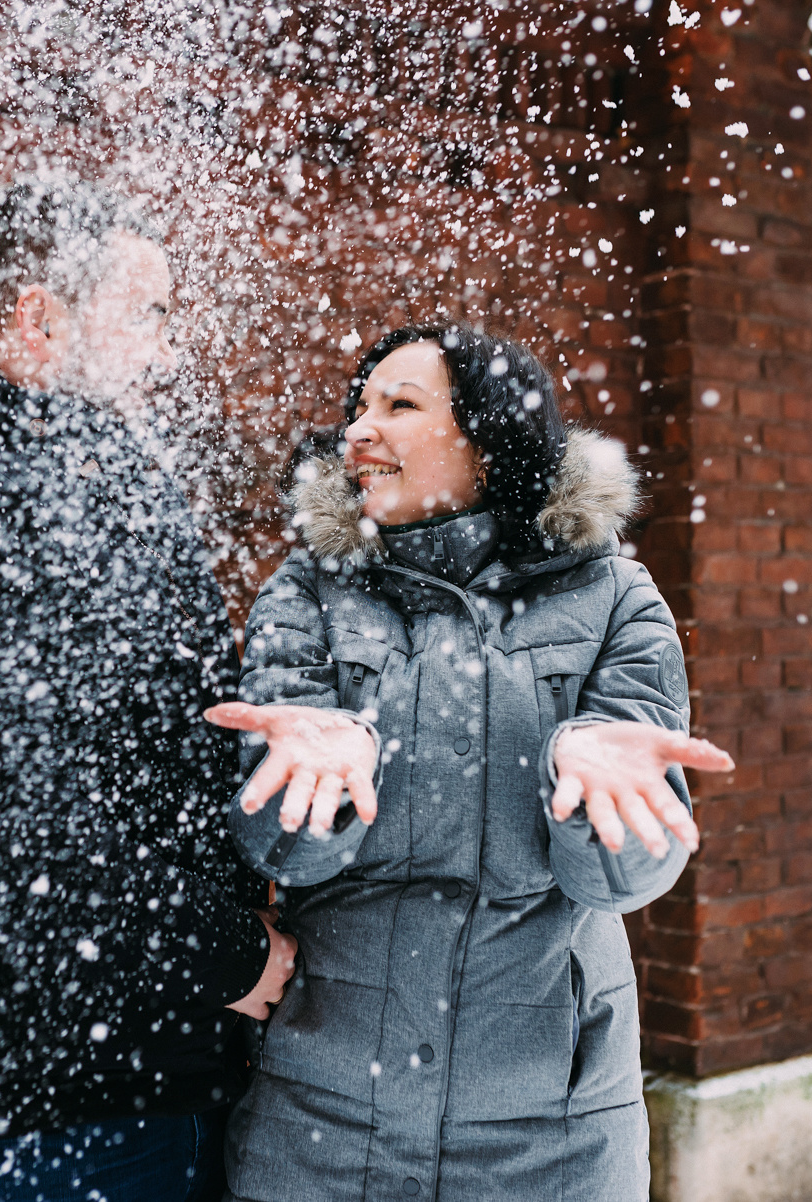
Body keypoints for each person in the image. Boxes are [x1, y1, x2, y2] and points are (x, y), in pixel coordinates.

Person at [0, 180, 318, 1201]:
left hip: (122, 1071)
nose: (164, 350)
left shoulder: (71, 473)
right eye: (144, 312)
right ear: (37, 318)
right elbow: (3, 810)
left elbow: (137, 753)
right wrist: (227, 956)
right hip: (56, 1099)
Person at [206, 324, 735, 1201]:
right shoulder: (307, 591)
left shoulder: (613, 596)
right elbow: (275, 849)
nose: (359, 431)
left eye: (399, 405)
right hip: (326, 1123)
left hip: (552, 1139)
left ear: (490, 440)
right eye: (359, 407)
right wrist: (320, 789)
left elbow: (628, 877)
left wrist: (586, 787)